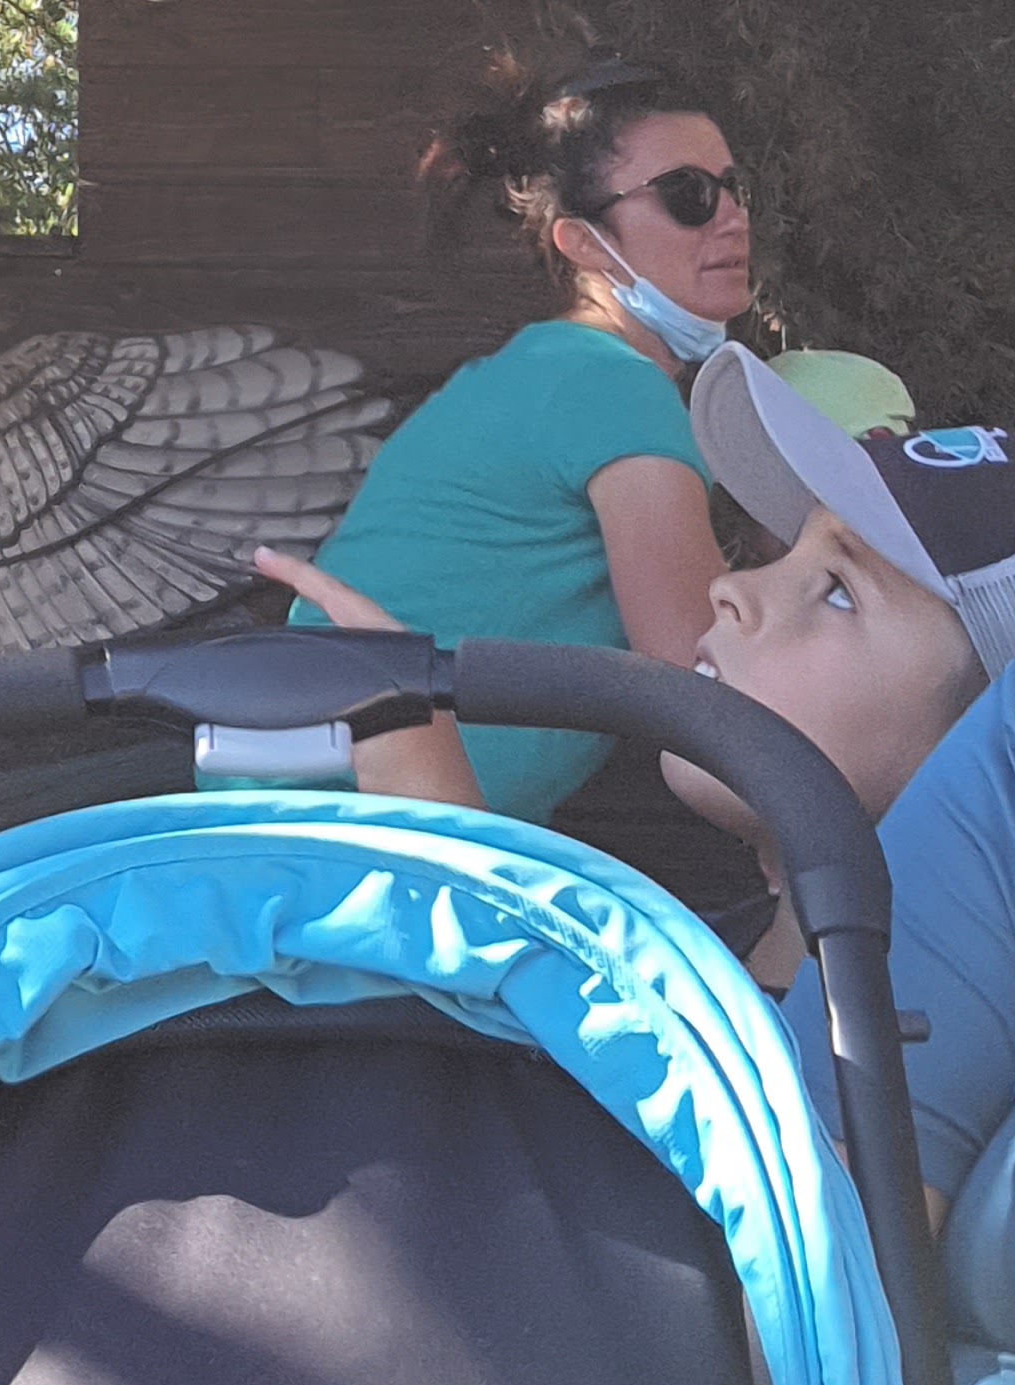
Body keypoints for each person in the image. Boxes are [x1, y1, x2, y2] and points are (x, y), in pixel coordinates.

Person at [276, 344, 1015, 1385]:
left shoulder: (934, 1014)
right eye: (774, 552)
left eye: (838, 592)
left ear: (993, 748)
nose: (733, 592)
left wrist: (458, 846)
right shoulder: (696, 954)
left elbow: (732, 1336)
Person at [296, 53, 766, 923]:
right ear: (583, 242)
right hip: (379, 869)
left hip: (309, 834)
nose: (731, 216)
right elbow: (705, 684)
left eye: (734, 188)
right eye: (688, 195)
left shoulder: (541, 369)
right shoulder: (613, 384)